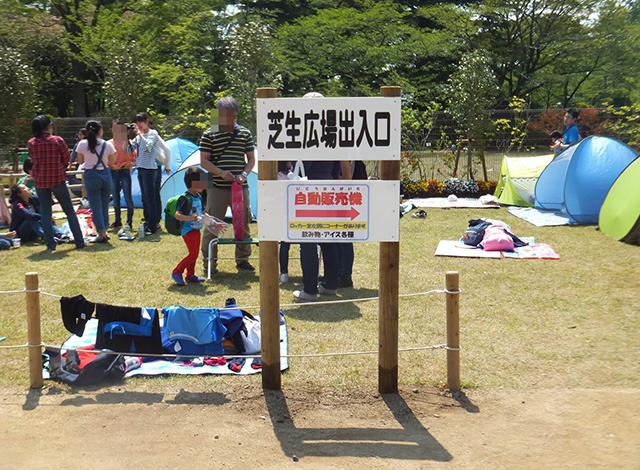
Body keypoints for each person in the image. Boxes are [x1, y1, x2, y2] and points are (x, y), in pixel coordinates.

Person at [199, 97, 256, 273]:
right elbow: (204, 161)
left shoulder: (245, 133)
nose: (230, 121)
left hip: (240, 187)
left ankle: (243, 259)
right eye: (225, 117)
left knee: (243, 223)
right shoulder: (209, 134)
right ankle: (209, 262)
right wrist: (221, 173)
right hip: (216, 187)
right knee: (212, 225)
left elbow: (251, 159)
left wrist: (244, 175)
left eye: (233, 116)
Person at [28, 115, 85, 251]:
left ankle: (50, 244)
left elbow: (33, 160)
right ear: (49, 126)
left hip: (40, 181)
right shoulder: (57, 140)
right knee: (69, 211)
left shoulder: (31, 143)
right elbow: (66, 159)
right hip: (57, 179)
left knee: (46, 213)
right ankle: (79, 241)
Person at [292, 161, 340, 301]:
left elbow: (304, 165)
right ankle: (331, 284)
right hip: (329, 185)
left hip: (309, 186)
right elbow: (336, 169)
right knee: (329, 238)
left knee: (307, 240)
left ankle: (309, 289)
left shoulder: (306, 139)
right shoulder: (333, 139)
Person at [171, 168, 226, 285]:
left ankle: (190, 275)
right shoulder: (185, 198)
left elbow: (203, 214)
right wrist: (190, 218)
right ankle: (177, 271)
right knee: (193, 254)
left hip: (196, 230)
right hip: (188, 231)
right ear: (192, 183)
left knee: (194, 254)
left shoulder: (199, 197)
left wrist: (213, 223)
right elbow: (177, 215)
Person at [125, 113, 168, 236]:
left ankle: (153, 225)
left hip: (150, 169)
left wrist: (139, 134)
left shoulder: (153, 134)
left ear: (147, 122)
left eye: (141, 122)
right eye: (137, 123)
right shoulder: (139, 137)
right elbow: (128, 149)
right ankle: (148, 221)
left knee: (151, 198)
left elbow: (149, 147)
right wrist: (125, 137)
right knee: (145, 198)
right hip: (141, 169)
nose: (139, 125)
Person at [76, 120, 117, 243]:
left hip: (92, 175)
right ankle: (104, 230)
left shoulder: (82, 144)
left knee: (95, 206)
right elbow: (112, 163)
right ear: (100, 130)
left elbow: (80, 161)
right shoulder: (108, 144)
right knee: (104, 205)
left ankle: (101, 233)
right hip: (106, 174)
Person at [109, 120, 136, 229]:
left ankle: (129, 221)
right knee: (115, 197)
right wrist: (113, 166)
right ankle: (117, 220)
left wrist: (129, 164)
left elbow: (135, 159)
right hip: (113, 171)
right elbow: (106, 158)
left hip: (124, 171)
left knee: (128, 197)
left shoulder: (128, 142)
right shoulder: (108, 143)